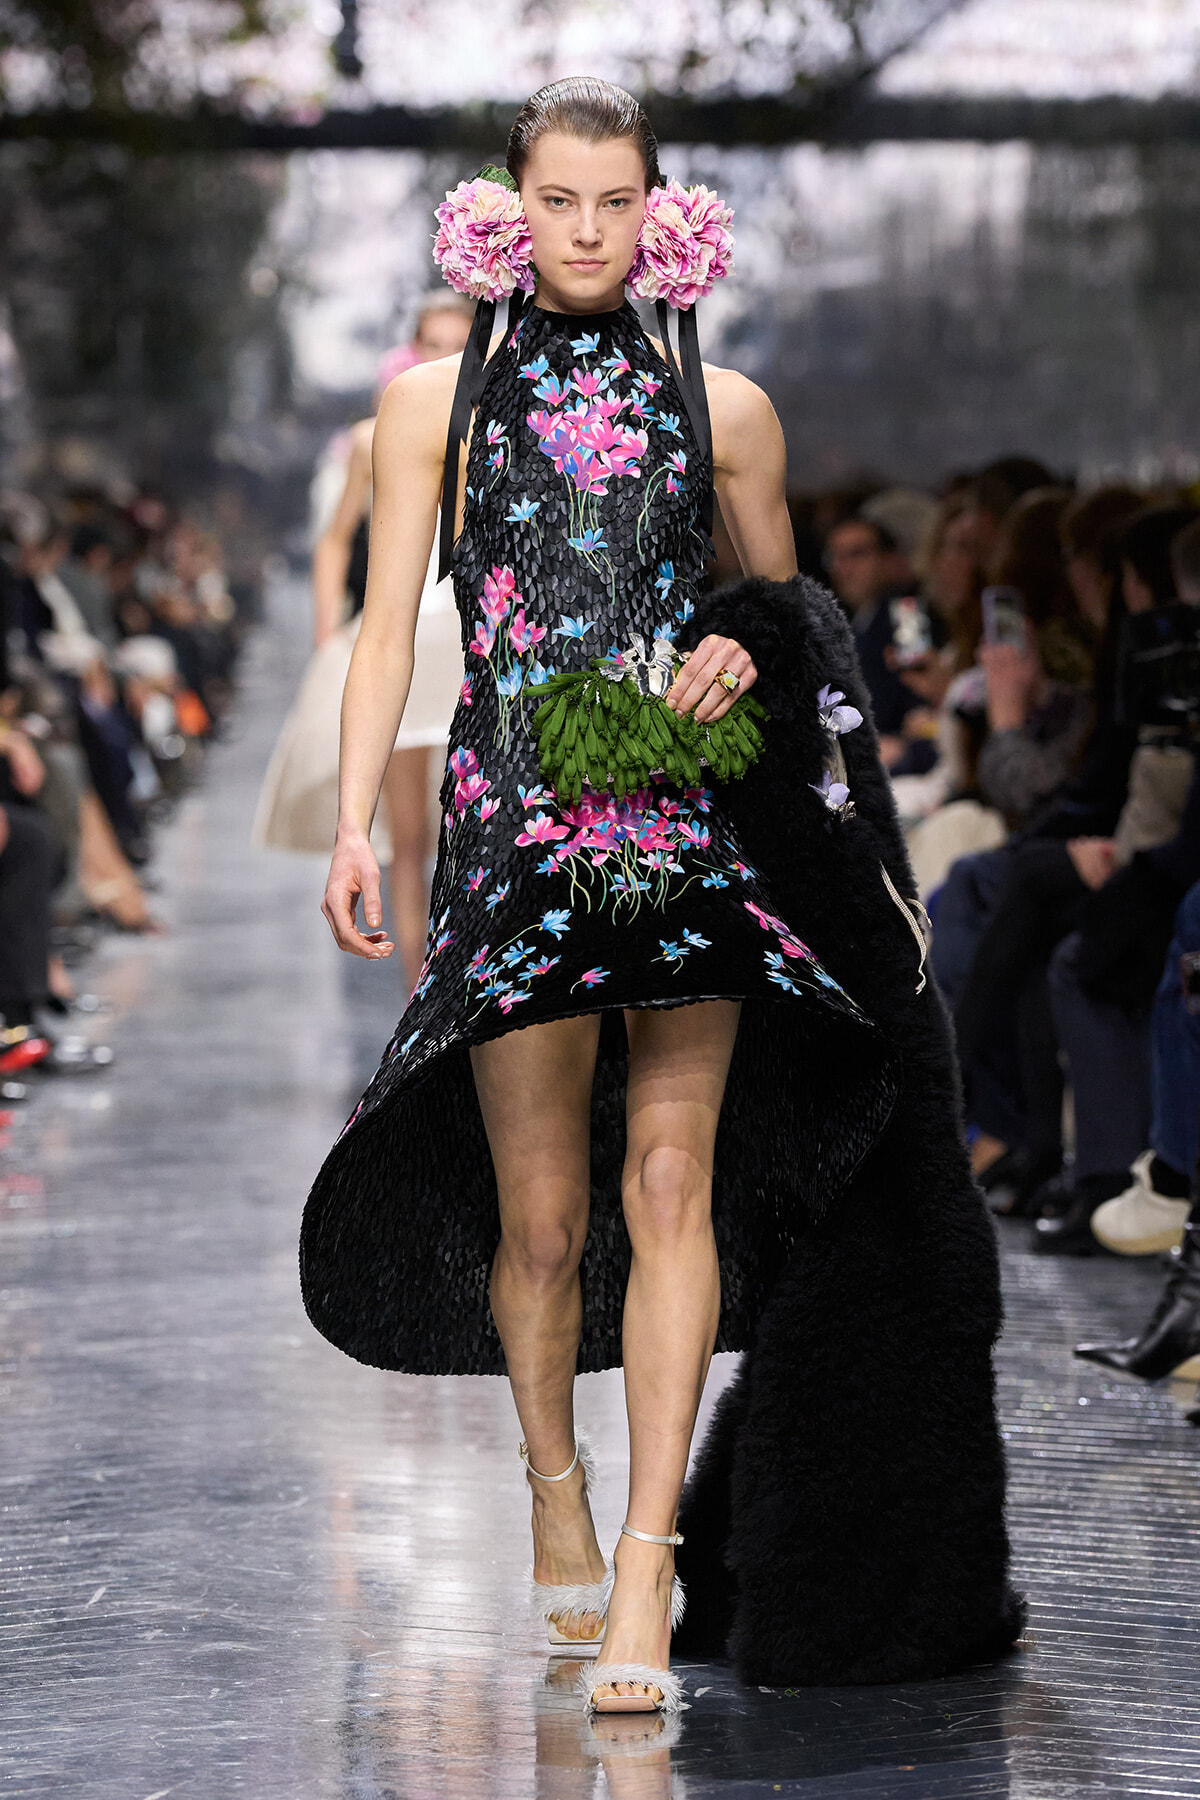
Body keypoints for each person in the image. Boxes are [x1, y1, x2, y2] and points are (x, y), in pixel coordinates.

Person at [301, 77, 1018, 1713]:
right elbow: (390, 631)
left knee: (672, 1174)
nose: (585, 233)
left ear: (658, 209)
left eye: (616, 203)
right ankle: (554, 1481)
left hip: (675, 806)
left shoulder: (728, 402)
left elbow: (797, 628)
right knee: (543, 1223)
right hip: (511, 808)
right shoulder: (436, 401)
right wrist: (358, 823)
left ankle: (645, 1567)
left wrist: (744, 642)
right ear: (511, 204)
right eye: (557, 201)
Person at [253, 295, 473, 987]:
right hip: (407, 633)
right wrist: (328, 634)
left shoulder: (499, 426)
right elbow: (335, 539)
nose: (442, 356)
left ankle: (473, 987)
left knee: (479, 829)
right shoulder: (379, 435)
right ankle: (420, 992)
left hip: (477, 636)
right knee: (410, 838)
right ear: (410, 349)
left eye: (457, 344)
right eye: (431, 341)